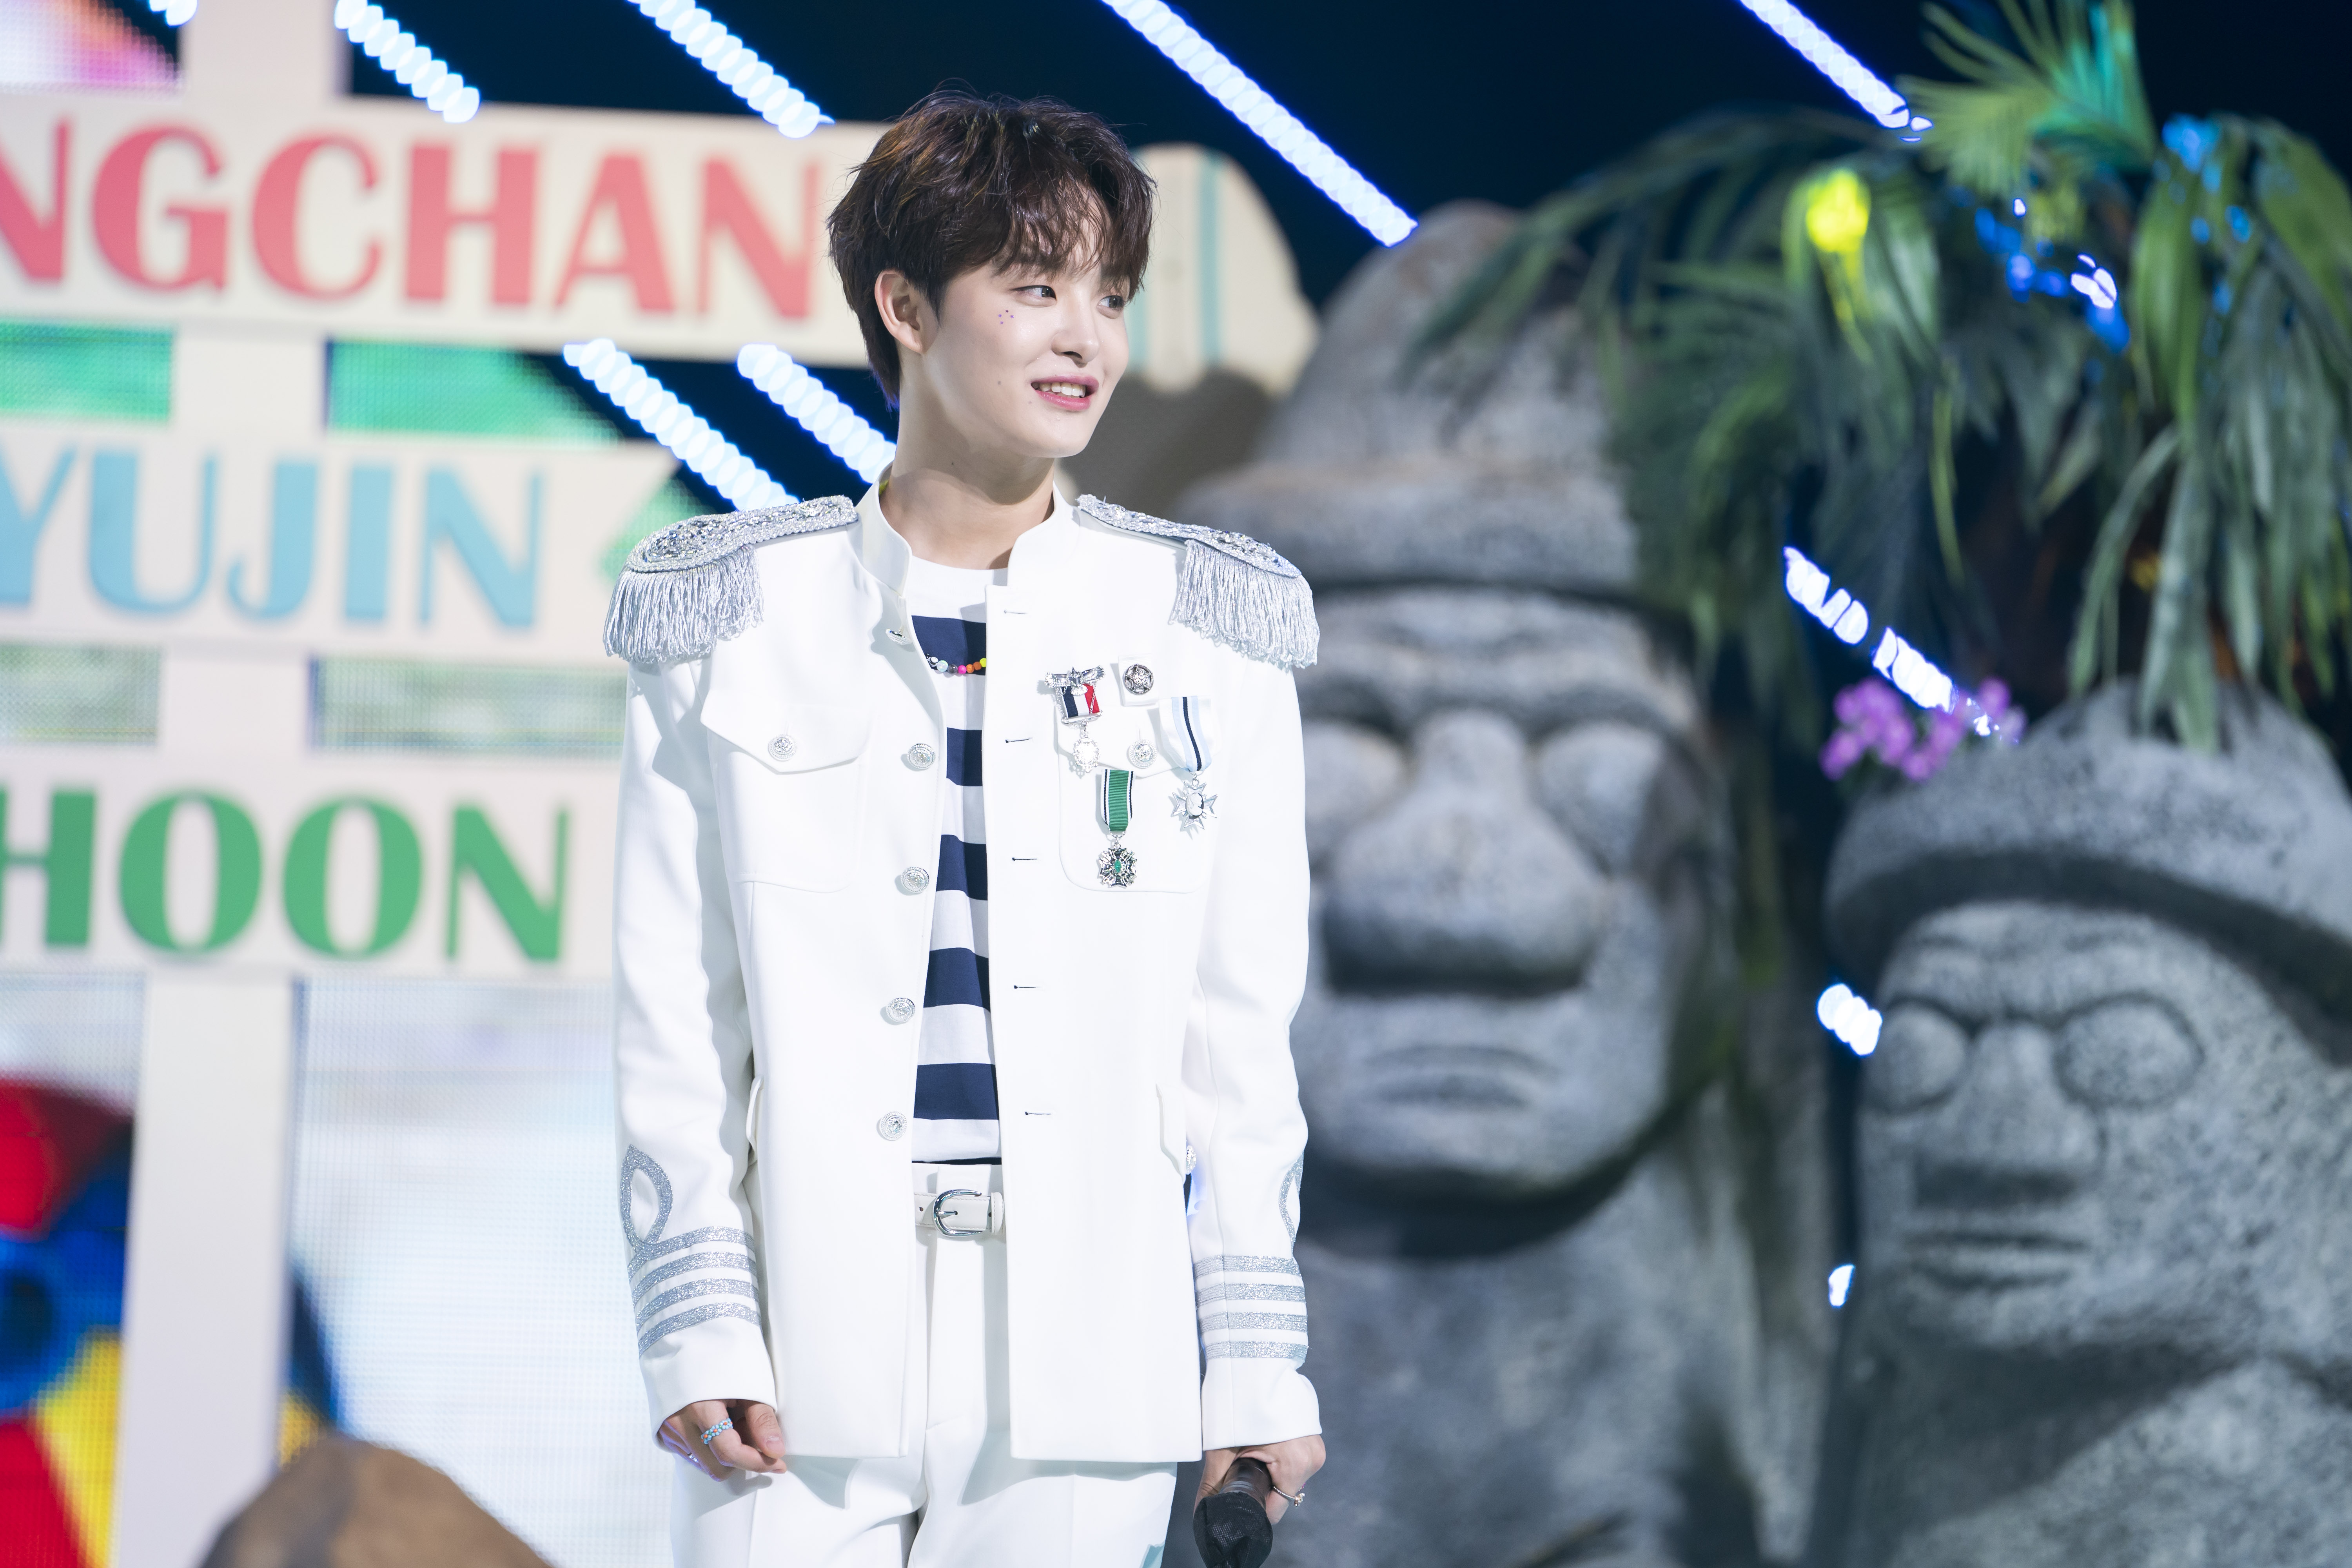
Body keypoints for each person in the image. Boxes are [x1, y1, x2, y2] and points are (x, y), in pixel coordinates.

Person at [604, 91, 1326, 1567]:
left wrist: (1257, 1365)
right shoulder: (729, 615)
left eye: (1110, 297)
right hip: (795, 1353)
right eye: (1037, 287)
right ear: (907, 307)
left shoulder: (1209, 628)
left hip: (1092, 1354)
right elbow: (675, 1019)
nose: (1087, 339)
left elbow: (1240, 1050)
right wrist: (697, 1326)